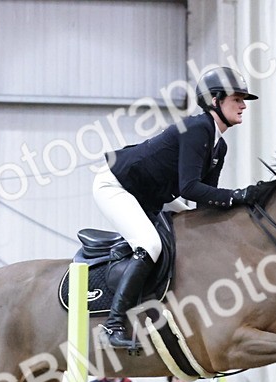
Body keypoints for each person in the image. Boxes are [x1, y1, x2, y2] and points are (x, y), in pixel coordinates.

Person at [93, 66, 261, 348]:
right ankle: (112, 327)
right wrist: (237, 196)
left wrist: (240, 214)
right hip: (117, 185)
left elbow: (201, 203)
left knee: (193, 228)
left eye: (243, 99)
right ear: (215, 101)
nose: (243, 105)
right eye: (237, 98)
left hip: (151, 194)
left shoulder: (218, 147)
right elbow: (190, 187)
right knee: (150, 244)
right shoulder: (197, 129)